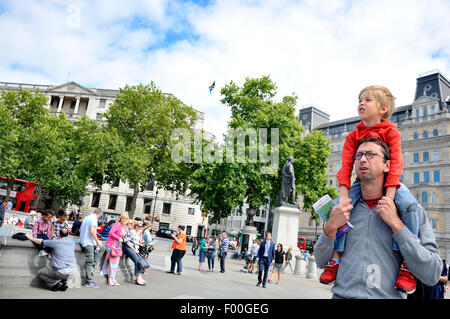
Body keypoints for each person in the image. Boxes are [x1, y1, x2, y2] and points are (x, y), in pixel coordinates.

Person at [321, 86, 420, 294]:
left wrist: (390, 198)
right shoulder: (352, 136)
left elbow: (395, 165)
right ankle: (335, 259)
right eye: (359, 99)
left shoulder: (392, 132)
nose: (361, 103)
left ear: (383, 109)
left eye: (367, 100)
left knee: (410, 206)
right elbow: (346, 165)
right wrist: (344, 195)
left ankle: (407, 265)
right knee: (341, 212)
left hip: (391, 183)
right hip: (360, 183)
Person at [314, 137, 442, 298]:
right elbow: (320, 261)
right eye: (358, 155)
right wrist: (331, 227)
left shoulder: (411, 211)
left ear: (387, 165)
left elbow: (433, 273)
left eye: (370, 154)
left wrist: (397, 224)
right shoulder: (342, 209)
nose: (362, 159)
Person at [25, 227, 76, 291]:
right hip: (72, 271)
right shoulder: (72, 242)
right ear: (68, 234)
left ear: (59, 234)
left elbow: (40, 241)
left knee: (40, 273)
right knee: (55, 268)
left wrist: (30, 237)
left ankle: (56, 283)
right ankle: (61, 282)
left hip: (60, 272)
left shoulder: (56, 242)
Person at [79, 208, 104, 288]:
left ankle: (93, 265)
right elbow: (92, 231)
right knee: (89, 262)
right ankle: (88, 281)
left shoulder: (87, 217)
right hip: (88, 243)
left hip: (84, 241)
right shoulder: (94, 219)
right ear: (100, 214)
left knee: (103, 248)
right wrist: (98, 242)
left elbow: (80, 230)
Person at [101, 213, 128, 286]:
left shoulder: (125, 227)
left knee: (115, 264)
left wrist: (124, 238)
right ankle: (110, 279)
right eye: (123, 218)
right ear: (120, 218)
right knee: (112, 263)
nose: (124, 220)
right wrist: (118, 238)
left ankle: (112, 278)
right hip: (112, 245)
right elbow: (111, 232)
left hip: (118, 247)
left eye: (125, 219)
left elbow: (124, 235)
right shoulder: (118, 224)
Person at [122, 220, 147, 286]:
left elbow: (132, 241)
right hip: (127, 247)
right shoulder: (126, 231)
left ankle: (139, 277)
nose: (132, 225)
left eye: (133, 224)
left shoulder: (129, 231)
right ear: (127, 224)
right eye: (131, 224)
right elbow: (127, 242)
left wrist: (135, 248)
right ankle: (138, 278)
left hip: (132, 247)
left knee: (139, 261)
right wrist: (134, 249)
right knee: (138, 261)